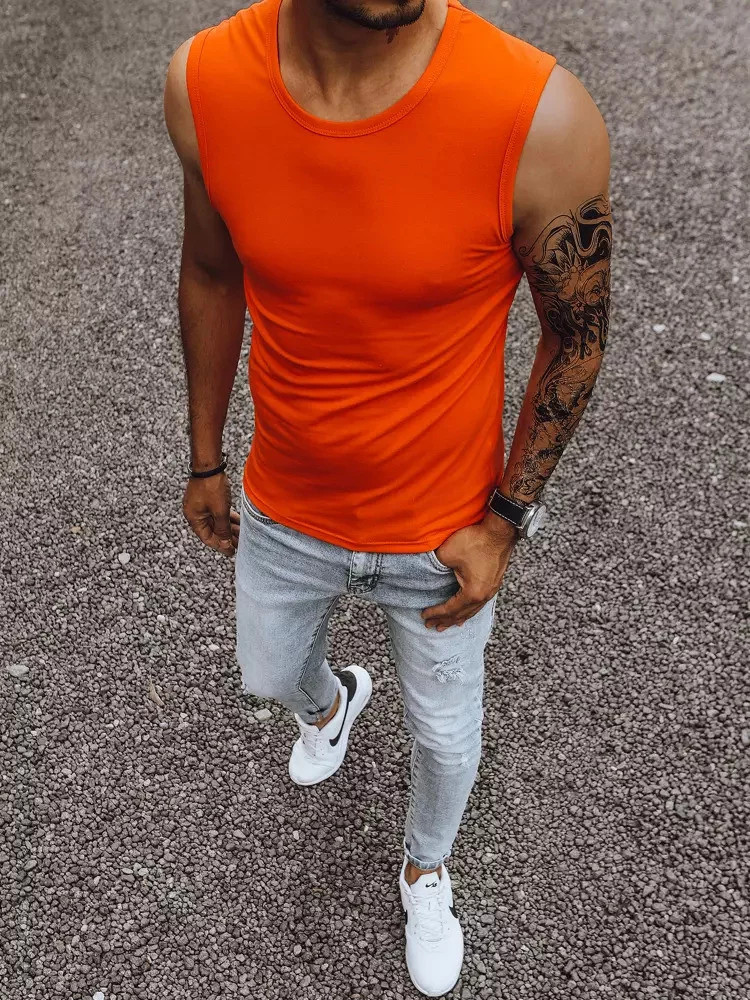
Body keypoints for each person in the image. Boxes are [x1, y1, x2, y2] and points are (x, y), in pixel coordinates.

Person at [164, 0, 612, 991]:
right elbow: (210, 269)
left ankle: (426, 869)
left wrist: (505, 523)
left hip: (443, 531)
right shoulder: (205, 83)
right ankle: (332, 706)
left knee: (447, 740)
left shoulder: (539, 114)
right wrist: (204, 459)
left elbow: (578, 335)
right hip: (286, 505)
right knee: (267, 676)